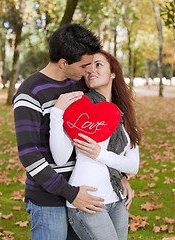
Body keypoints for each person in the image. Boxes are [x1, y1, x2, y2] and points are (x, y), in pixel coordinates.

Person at [12, 24, 134, 240]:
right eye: (84, 65)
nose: (88, 70)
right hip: (48, 198)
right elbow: (29, 155)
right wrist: (71, 193)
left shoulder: (78, 87)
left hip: (85, 193)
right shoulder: (29, 93)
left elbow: (99, 135)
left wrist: (119, 177)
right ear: (63, 63)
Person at [49, 49, 141, 240]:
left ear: (113, 72)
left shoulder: (125, 114)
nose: (91, 70)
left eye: (98, 64)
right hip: (87, 202)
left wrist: (100, 155)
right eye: (87, 66)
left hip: (118, 200)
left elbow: (133, 165)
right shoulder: (79, 106)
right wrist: (57, 114)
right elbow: (60, 157)